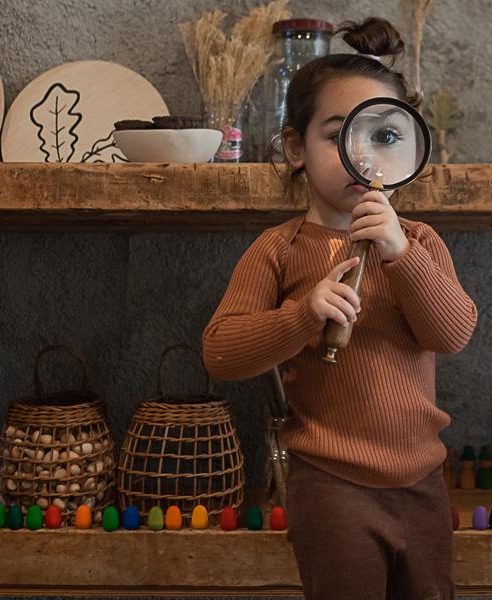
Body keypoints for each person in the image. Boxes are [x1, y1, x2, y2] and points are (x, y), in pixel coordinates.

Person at [203, 16, 477, 600]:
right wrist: (302, 316)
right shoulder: (280, 249)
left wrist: (401, 253)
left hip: (424, 479)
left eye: (384, 136)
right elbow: (221, 351)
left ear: (409, 145)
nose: (364, 157)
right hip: (330, 485)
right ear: (297, 149)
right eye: (338, 136)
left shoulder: (420, 242)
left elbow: (452, 333)